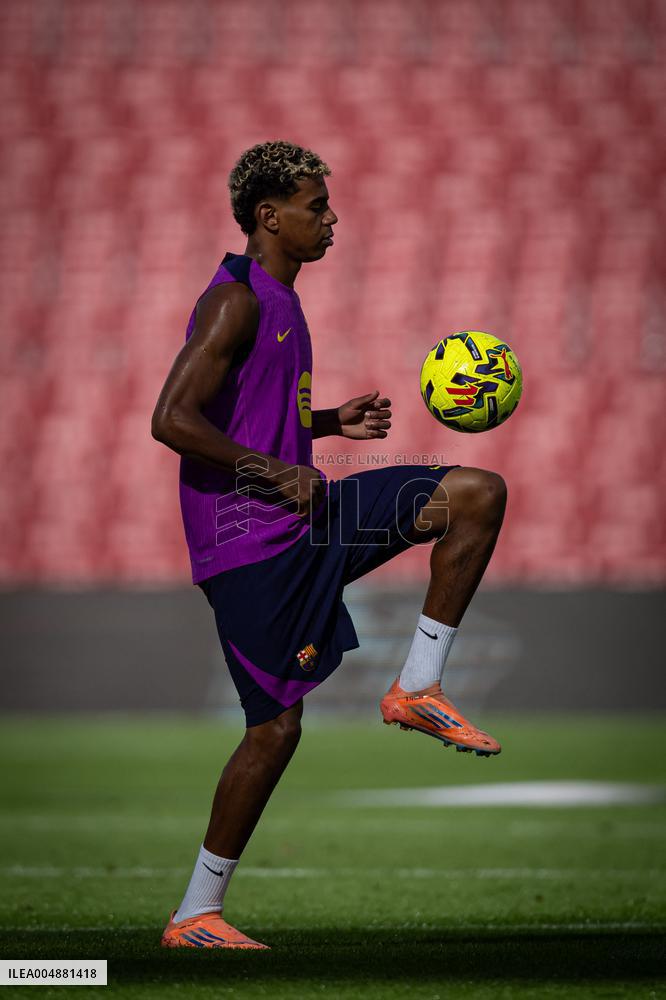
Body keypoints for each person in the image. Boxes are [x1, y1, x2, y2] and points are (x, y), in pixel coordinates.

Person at [151, 140, 506, 950]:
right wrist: (276, 470)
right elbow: (170, 418)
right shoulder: (234, 302)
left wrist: (325, 423)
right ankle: (195, 915)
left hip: (308, 518)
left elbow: (247, 412)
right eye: (316, 206)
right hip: (249, 546)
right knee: (275, 731)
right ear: (269, 216)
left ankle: (418, 686)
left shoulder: (282, 300)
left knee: (476, 495)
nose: (331, 218)